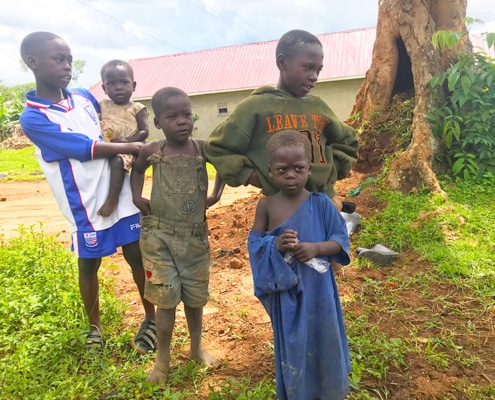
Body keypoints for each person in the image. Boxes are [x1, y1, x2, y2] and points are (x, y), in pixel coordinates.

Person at [19, 31, 156, 354]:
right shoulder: (33, 117)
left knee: (137, 256)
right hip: (85, 203)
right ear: (32, 62)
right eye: (58, 59)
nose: (67, 66)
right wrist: (131, 145)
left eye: (69, 59)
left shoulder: (83, 97)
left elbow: (115, 116)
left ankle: (149, 318)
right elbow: (82, 147)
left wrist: (139, 126)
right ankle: (95, 328)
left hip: (119, 193)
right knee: (88, 265)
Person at [204, 29, 359, 212]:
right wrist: (254, 176)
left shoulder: (319, 107)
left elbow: (349, 141)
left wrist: (329, 174)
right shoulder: (256, 107)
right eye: (308, 67)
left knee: (331, 240)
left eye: (318, 70)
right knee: (287, 241)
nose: (314, 76)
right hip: (282, 208)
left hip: (324, 202)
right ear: (282, 62)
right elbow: (217, 148)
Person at [130, 87, 225, 384]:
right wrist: (136, 197)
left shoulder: (202, 148)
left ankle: (197, 348)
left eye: (186, 114)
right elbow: (136, 170)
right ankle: (162, 362)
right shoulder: (152, 151)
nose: (182, 121)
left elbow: (223, 166)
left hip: (195, 238)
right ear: (158, 123)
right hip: (159, 238)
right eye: (172, 117)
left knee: (195, 298)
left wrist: (216, 193)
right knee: (165, 300)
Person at [248, 130, 351, 400]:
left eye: (298, 168)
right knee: (294, 342)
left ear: (309, 168)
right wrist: (276, 245)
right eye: (282, 170)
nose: (291, 175)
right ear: (270, 171)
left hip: (320, 293)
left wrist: (316, 248)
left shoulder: (322, 204)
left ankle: (329, 390)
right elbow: (255, 245)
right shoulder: (266, 206)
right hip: (287, 295)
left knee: (324, 336)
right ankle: (298, 392)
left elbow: (340, 241)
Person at [97, 59, 149, 217]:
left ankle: (112, 199)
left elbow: (144, 131)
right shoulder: (103, 105)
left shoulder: (137, 108)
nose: (118, 87)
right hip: (106, 146)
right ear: (104, 88)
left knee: (117, 162)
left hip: (129, 149)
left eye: (124, 82)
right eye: (111, 83)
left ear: (133, 86)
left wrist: (128, 141)